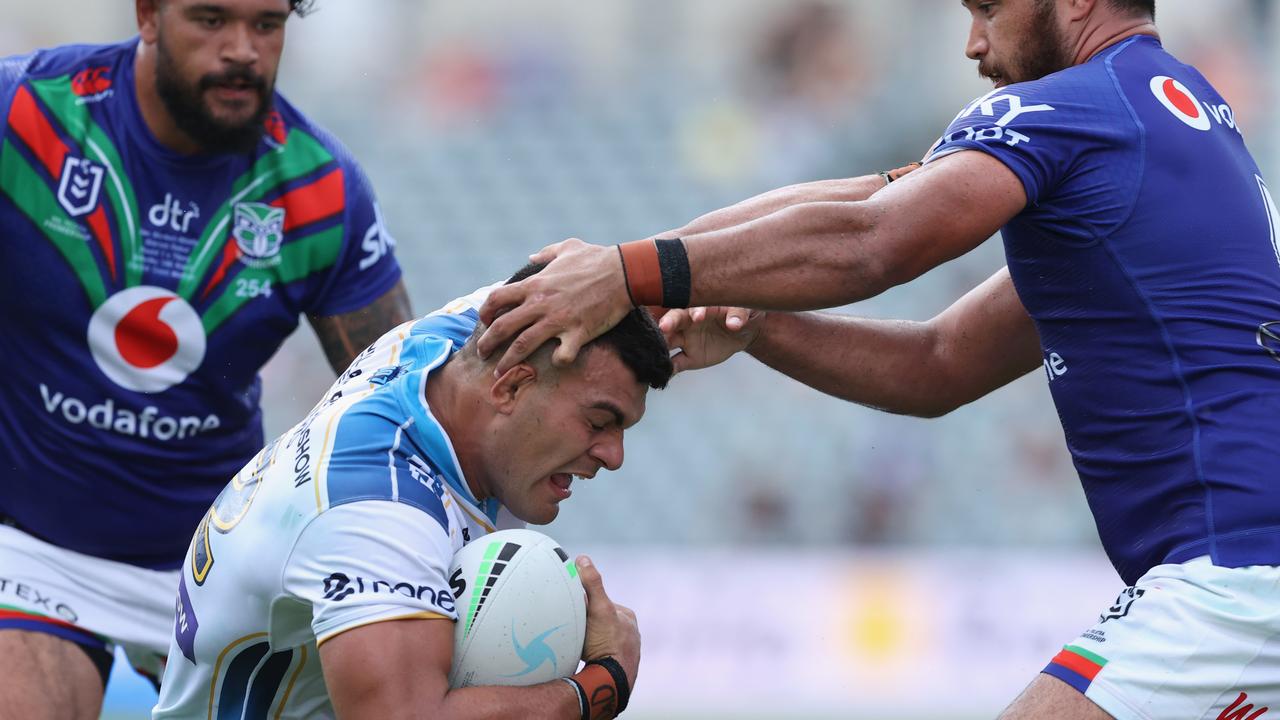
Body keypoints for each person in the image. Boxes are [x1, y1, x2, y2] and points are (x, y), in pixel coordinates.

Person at [474, 1, 1280, 718]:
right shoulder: (1167, 119)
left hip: (1232, 578)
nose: (972, 43)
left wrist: (625, 272)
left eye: (990, 9)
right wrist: (762, 327)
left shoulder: (1076, 110)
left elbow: (874, 239)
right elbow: (939, 362)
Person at [0, 1, 413, 716]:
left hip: (216, 566)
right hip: (33, 552)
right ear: (149, 15)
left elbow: (394, 404)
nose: (243, 50)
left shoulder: (321, 192)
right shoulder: (25, 120)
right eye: (212, 20)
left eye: (266, 25)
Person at [152, 263, 671, 719]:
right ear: (510, 386)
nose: (614, 455)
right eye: (600, 421)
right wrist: (603, 683)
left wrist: (712, 309)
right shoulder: (378, 511)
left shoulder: (464, 339)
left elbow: (585, 279)